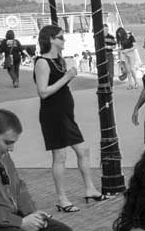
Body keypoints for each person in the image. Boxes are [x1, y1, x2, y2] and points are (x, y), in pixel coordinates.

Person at [33, 24, 105, 213]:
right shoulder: (42, 62)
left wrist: (67, 78)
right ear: (50, 39)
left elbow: (60, 87)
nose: (64, 40)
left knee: (83, 151)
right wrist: (67, 77)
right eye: (61, 37)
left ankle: (90, 188)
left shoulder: (59, 60)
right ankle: (62, 198)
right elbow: (43, 92)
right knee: (61, 155)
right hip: (52, 114)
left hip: (66, 114)